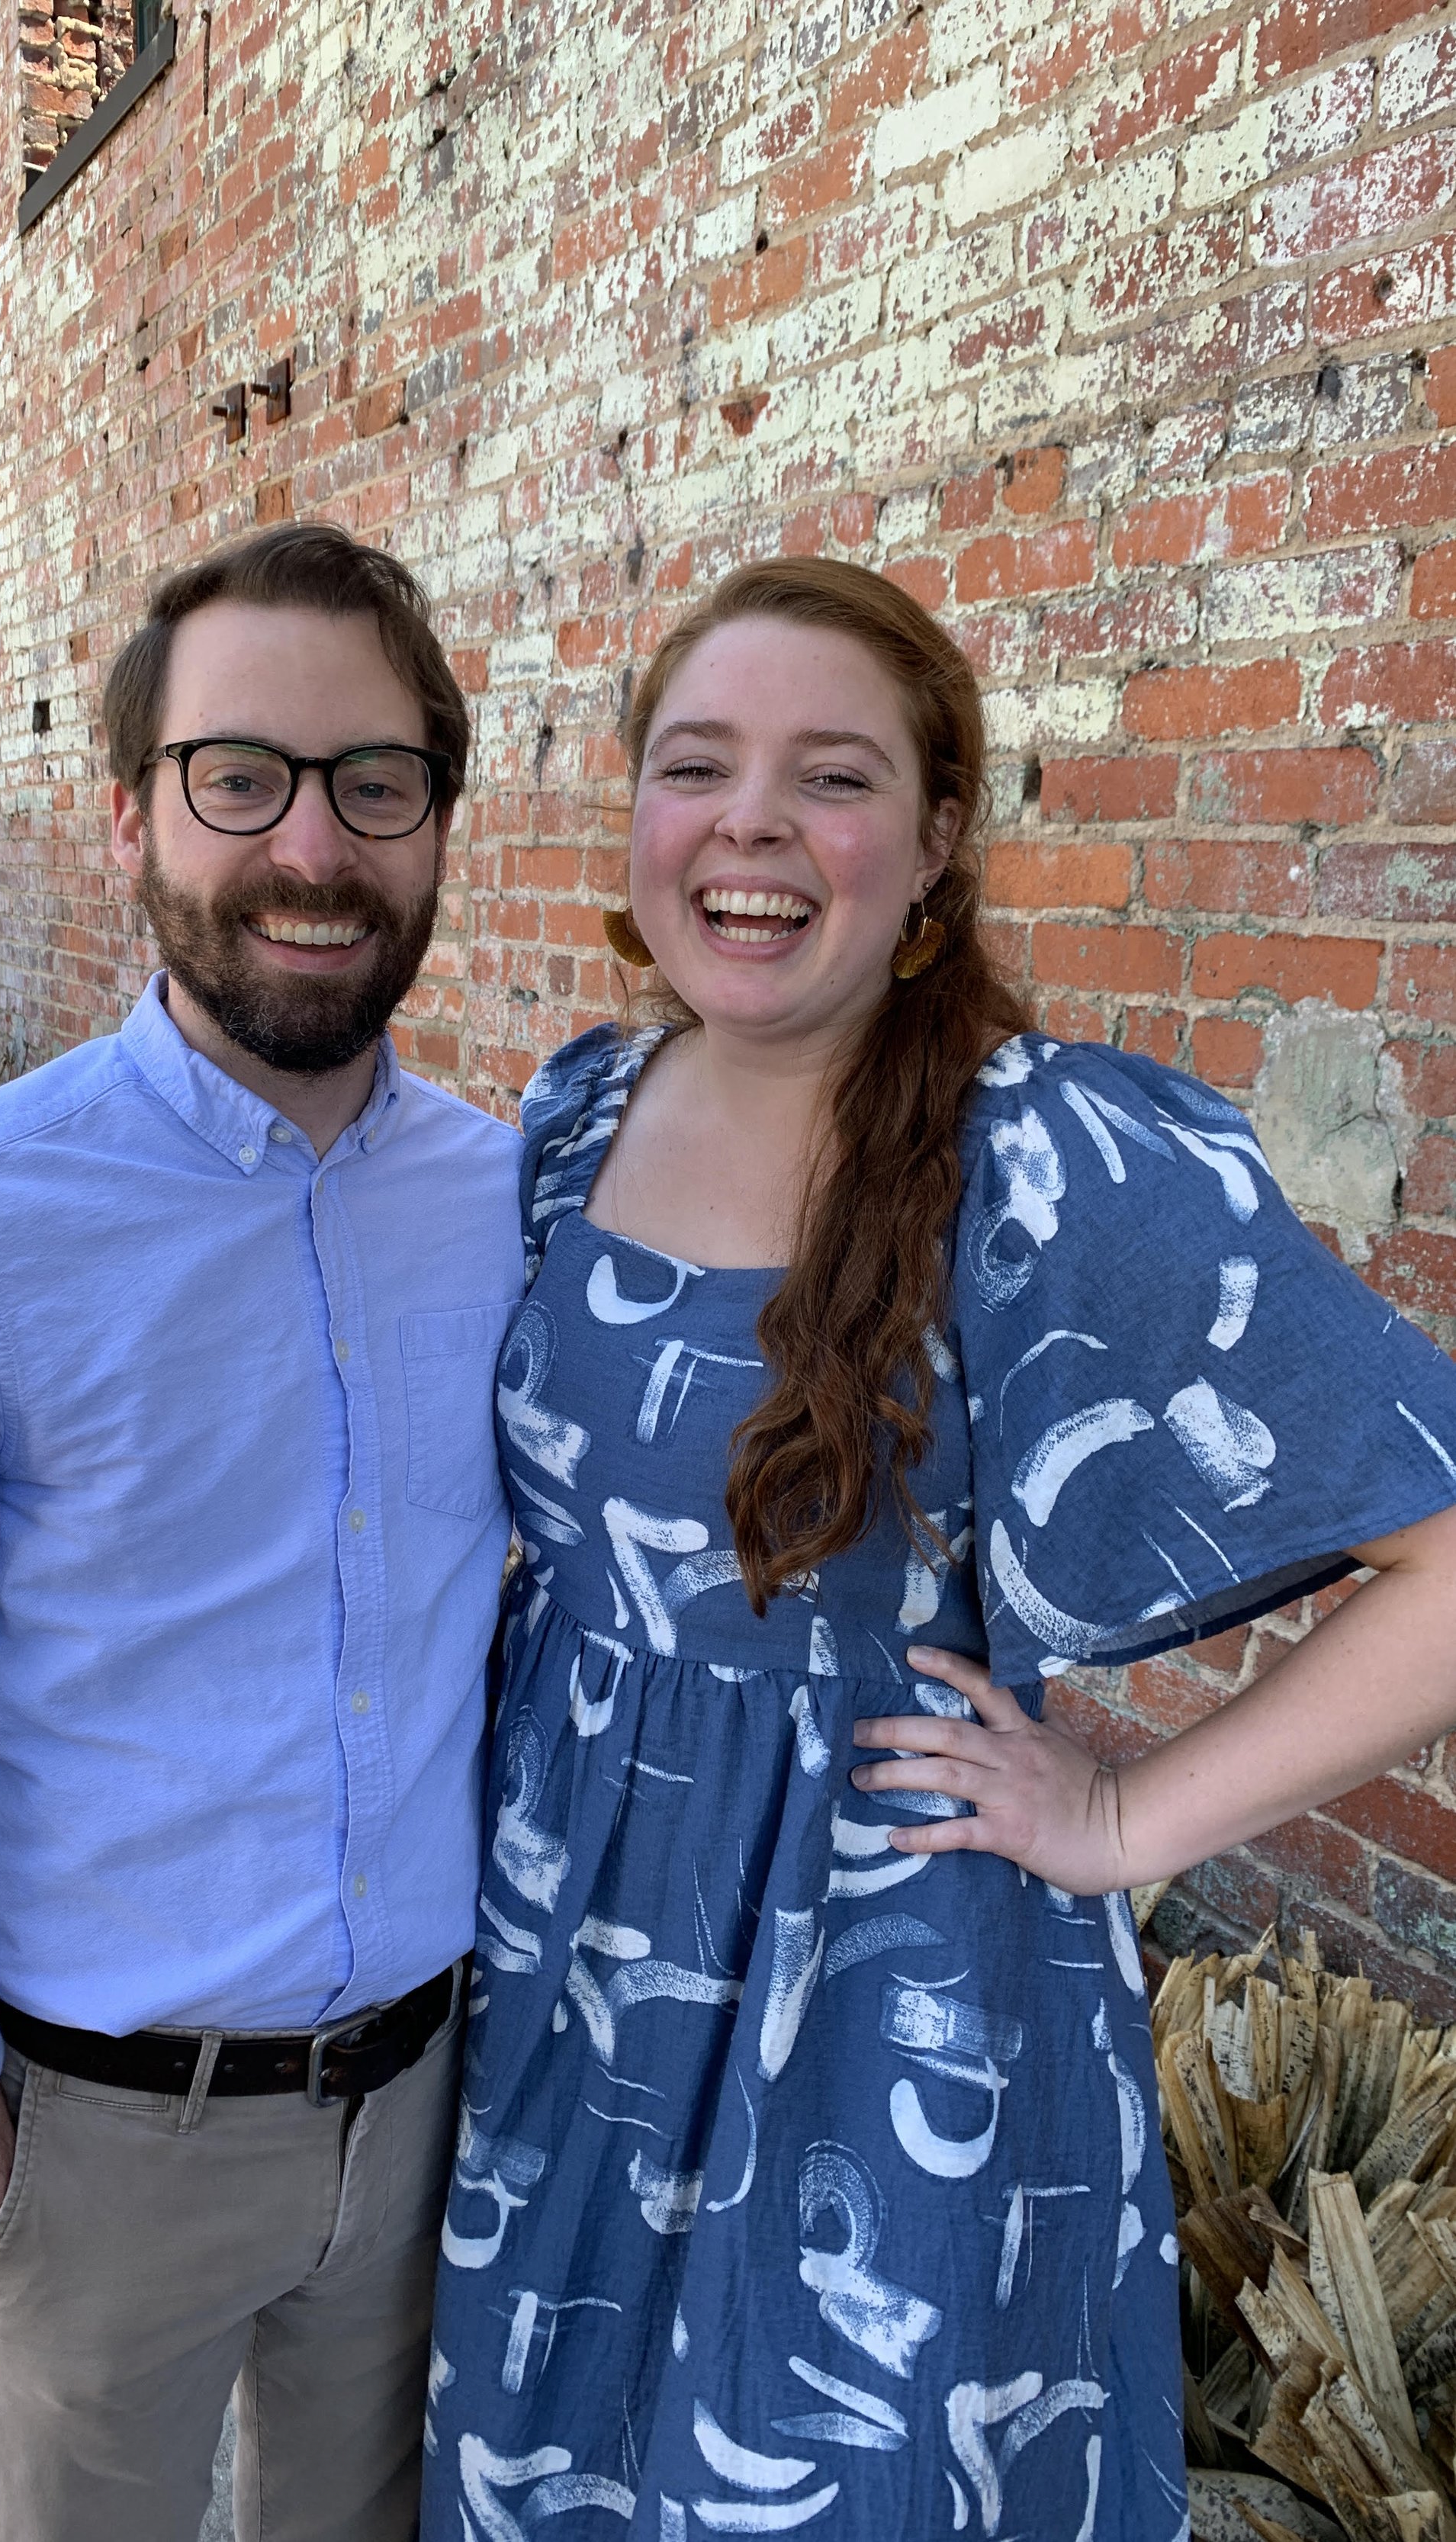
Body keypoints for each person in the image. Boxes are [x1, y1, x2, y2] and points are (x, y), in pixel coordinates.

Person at [420, 557, 1456, 2542]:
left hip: (882, 2004)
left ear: (933, 840)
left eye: (830, 777)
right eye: (695, 763)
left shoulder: (1055, 1159)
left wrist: (1128, 1824)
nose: (747, 823)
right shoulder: (568, 1116)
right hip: (562, 1982)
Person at [0, 522, 523, 2542]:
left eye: (375, 783)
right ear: (127, 820)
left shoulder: (506, 1206)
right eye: (237, 778)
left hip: (432, 2115)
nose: (312, 846)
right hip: (91, 2155)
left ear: (437, 822)